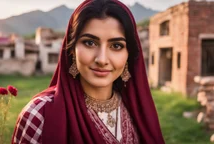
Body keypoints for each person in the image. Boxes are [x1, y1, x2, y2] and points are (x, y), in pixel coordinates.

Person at [12, 0, 165, 143]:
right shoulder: (40, 115)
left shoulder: (137, 111)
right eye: (90, 43)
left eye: (116, 46)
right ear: (72, 50)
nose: (102, 59)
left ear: (128, 55)